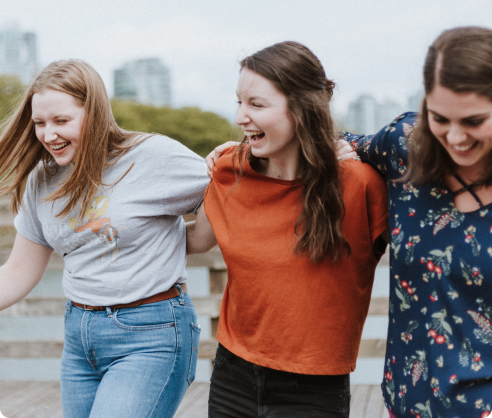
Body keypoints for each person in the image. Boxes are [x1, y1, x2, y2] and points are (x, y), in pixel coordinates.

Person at [186, 41, 389, 418]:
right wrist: (116, 230)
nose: (241, 117)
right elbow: (196, 240)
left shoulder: (360, 184)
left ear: (301, 109)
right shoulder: (229, 171)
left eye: (257, 105)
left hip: (315, 388)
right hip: (233, 375)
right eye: (239, 102)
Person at [0, 60, 209, 418]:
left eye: (61, 121)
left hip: (152, 335)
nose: (48, 134)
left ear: (94, 113)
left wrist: (177, 240)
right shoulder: (42, 180)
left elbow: (224, 197)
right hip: (80, 338)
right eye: (40, 123)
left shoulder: (151, 157)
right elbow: (18, 271)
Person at [338, 26, 492, 418]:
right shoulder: (405, 142)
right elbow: (331, 143)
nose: (455, 137)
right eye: (440, 118)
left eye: (473, 121)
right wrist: (238, 155)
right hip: (408, 402)